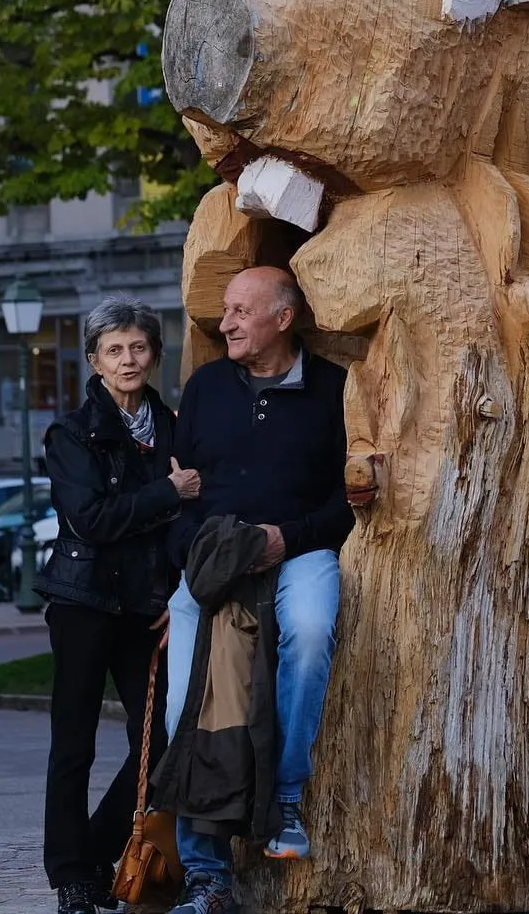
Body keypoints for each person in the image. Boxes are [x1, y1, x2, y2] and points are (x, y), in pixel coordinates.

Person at [165, 266, 353, 914]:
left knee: (307, 630)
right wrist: (193, 558)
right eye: (226, 311)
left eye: (242, 311)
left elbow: (346, 502)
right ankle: (206, 876)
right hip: (215, 561)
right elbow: (183, 488)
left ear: (283, 317)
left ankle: (286, 800)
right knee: (184, 710)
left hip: (300, 549)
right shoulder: (205, 388)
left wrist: (289, 535)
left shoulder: (333, 389)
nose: (226, 324)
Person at [35, 295, 203, 914]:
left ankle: (98, 847)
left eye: (138, 347)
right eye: (114, 350)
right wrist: (167, 490)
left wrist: (181, 590)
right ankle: (71, 877)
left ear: (155, 355)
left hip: (148, 608)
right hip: (82, 599)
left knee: (160, 737)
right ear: (95, 362)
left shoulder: (180, 429)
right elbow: (91, 519)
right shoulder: (71, 434)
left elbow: (195, 519)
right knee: (73, 742)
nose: (127, 359)